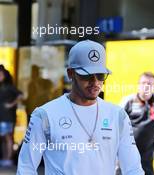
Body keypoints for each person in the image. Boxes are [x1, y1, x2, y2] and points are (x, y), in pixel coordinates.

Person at [17, 40, 144, 175]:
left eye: (100, 75)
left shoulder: (117, 115)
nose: (95, 82)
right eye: (87, 75)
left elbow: (133, 168)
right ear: (71, 73)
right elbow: (26, 168)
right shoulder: (44, 115)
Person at [119, 72, 154, 175]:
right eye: (143, 83)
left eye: (150, 84)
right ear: (138, 85)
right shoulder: (128, 101)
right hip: (126, 160)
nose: (146, 86)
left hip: (147, 161)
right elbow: (115, 127)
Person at [0, 65, 23, 167]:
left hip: (8, 117)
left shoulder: (9, 87)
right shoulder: (1, 87)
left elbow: (21, 95)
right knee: (3, 138)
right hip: (1, 116)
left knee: (8, 137)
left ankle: (8, 158)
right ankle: (5, 158)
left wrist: (11, 104)